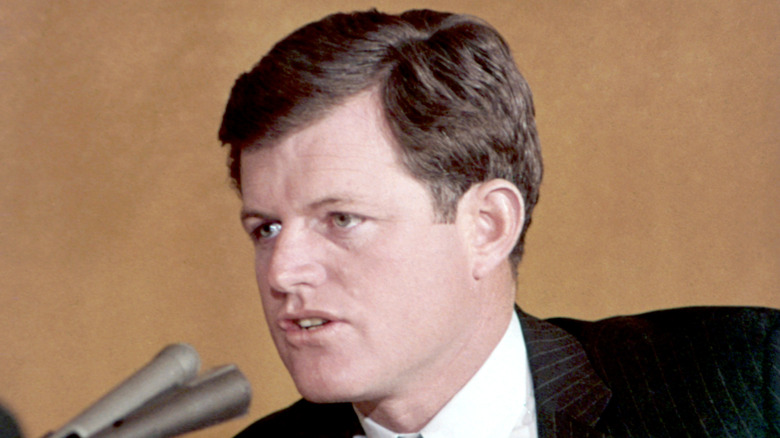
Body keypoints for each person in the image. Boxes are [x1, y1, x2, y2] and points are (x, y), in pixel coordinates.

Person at [218, 8, 780, 438]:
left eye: (341, 219)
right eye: (265, 229)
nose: (282, 273)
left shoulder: (746, 381)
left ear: (486, 226)